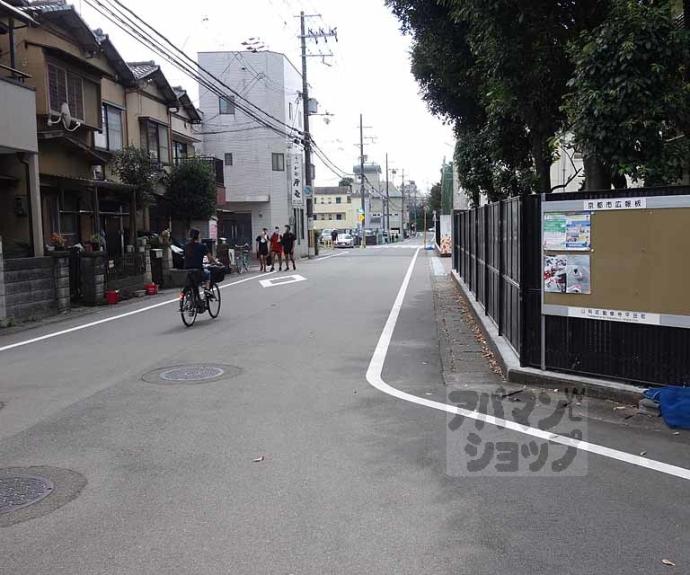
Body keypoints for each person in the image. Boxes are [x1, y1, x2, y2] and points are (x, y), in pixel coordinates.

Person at [184, 228, 218, 294]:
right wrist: (216, 263)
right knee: (208, 274)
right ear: (198, 236)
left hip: (187, 271)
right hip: (198, 271)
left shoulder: (186, 246)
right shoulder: (202, 246)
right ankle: (207, 289)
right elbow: (210, 259)